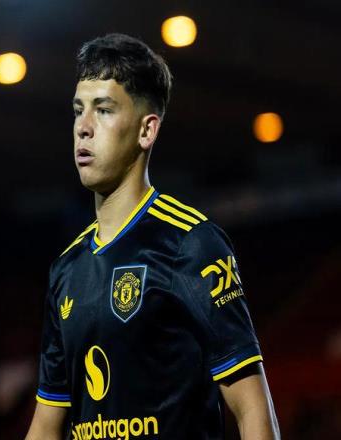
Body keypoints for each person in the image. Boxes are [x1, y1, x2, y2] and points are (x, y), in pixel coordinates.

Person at [25, 33, 280, 440]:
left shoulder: (190, 244)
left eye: (103, 110)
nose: (83, 128)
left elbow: (252, 409)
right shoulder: (66, 269)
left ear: (147, 130)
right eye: (78, 111)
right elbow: (46, 424)